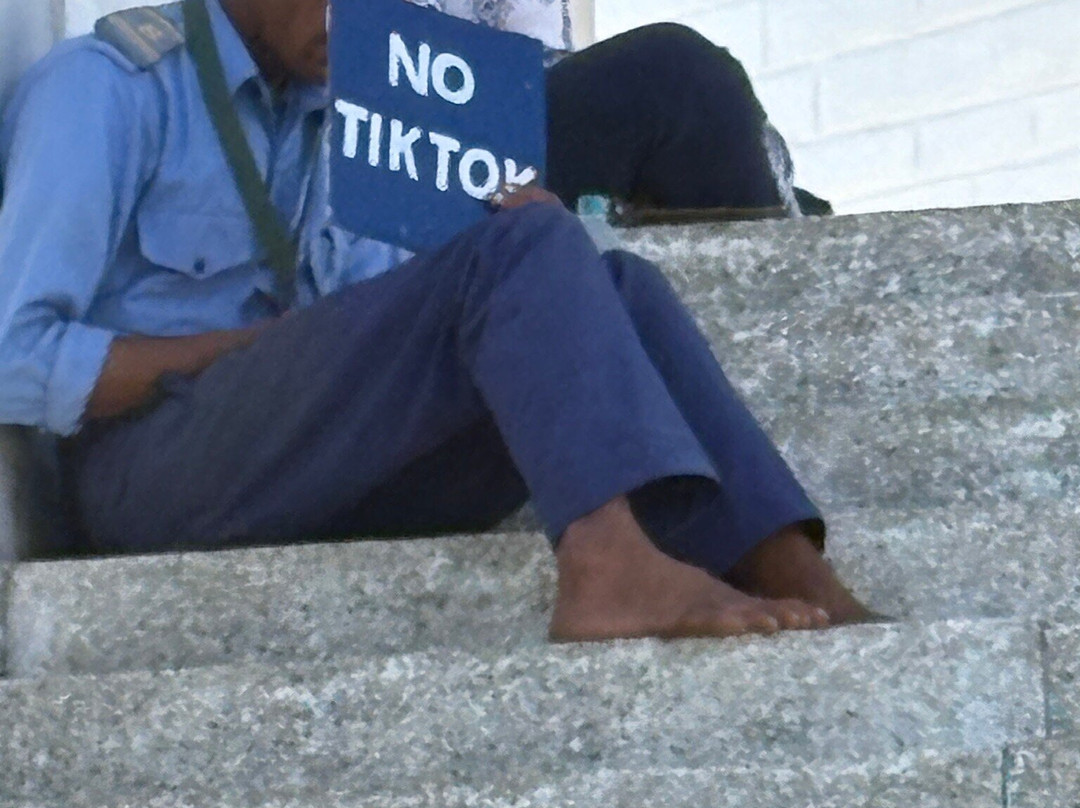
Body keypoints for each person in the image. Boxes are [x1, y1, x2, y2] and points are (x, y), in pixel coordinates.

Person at [0, 0, 873, 642]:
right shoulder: (107, 89)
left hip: (299, 462)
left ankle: (786, 561)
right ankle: (607, 564)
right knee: (521, 253)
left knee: (610, 281)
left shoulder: (341, 120)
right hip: (148, 474)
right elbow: (15, 354)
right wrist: (251, 354)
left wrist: (522, 241)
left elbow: (394, 327)